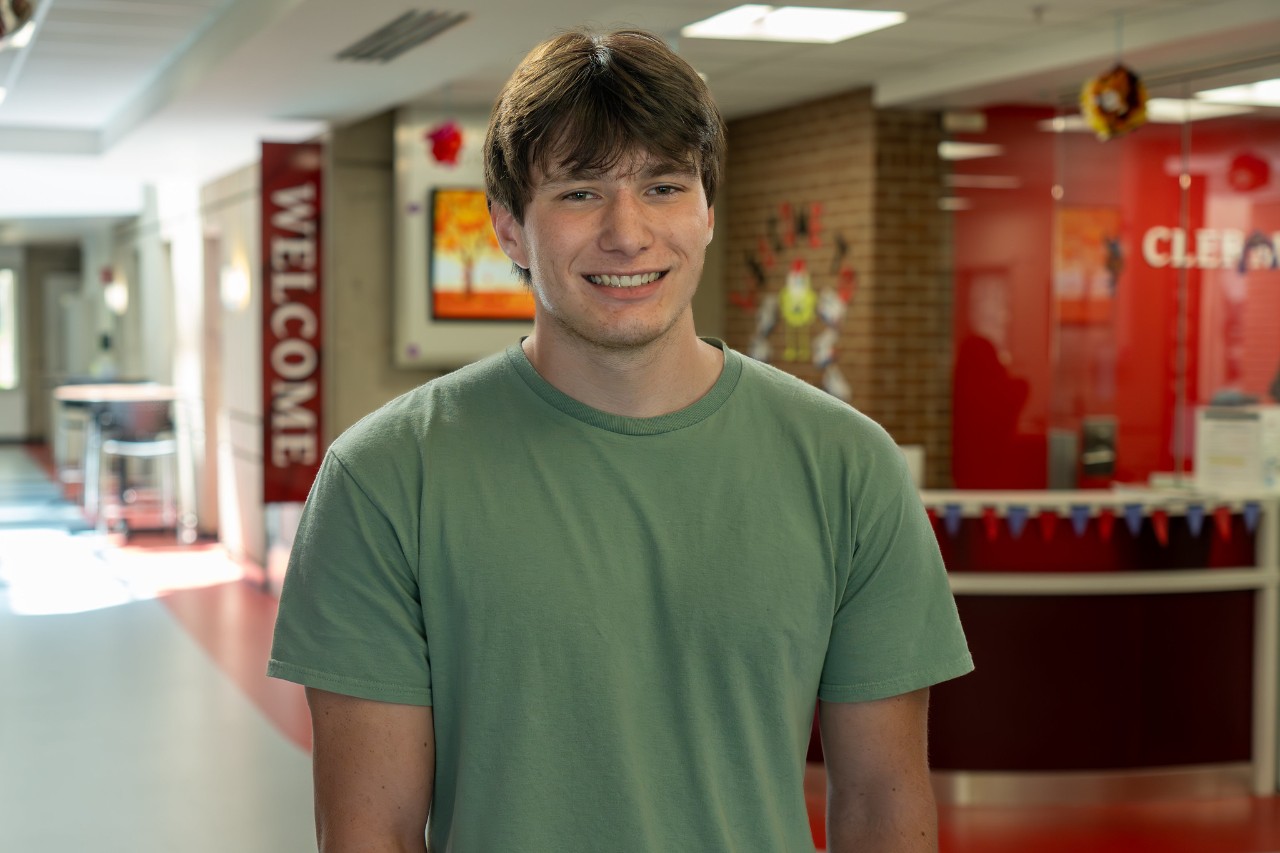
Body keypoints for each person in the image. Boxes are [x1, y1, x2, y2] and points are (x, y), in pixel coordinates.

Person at [268, 27, 972, 852]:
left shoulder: (849, 467)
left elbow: (885, 810)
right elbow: (369, 832)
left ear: (708, 209)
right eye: (578, 192)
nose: (627, 232)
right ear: (507, 228)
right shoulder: (384, 478)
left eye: (665, 186)